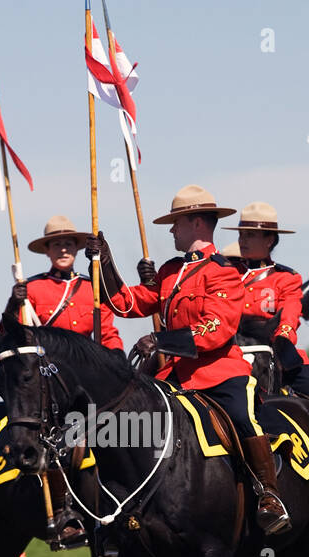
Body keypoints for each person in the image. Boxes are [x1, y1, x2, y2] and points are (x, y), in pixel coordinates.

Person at [96, 184, 290, 534]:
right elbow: (127, 304)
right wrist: (105, 262)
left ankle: (268, 494)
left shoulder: (224, 272)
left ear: (197, 223)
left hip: (219, 373)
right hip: (174, 377)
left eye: (177, 223)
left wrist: (160, 340)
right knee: (134, 423)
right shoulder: (170, 271)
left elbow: (215, 329)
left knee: (242, 417)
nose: (171, 229)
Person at [2, 216, 126, 549]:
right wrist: (14, 303)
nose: (63, 249)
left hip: (89, 382)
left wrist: (117, 364)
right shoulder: (32, 290)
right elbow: (12, 337)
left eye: (69, 243)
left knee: (126, 433)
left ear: (76, 248)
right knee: (57, 441)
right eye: (56, 244)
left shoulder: (92, 288)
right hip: (51, 384)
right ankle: (64, 513)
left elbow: (108, 333)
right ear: (47, 251)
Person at [224, 201, 309, 410]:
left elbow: (290, 315)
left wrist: (282, 340)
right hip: (230, 353)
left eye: (250, 235)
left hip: (274, 352)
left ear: (269, 240)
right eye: (241, 234)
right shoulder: (226, 274)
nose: (242, 240)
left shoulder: (286, 278)